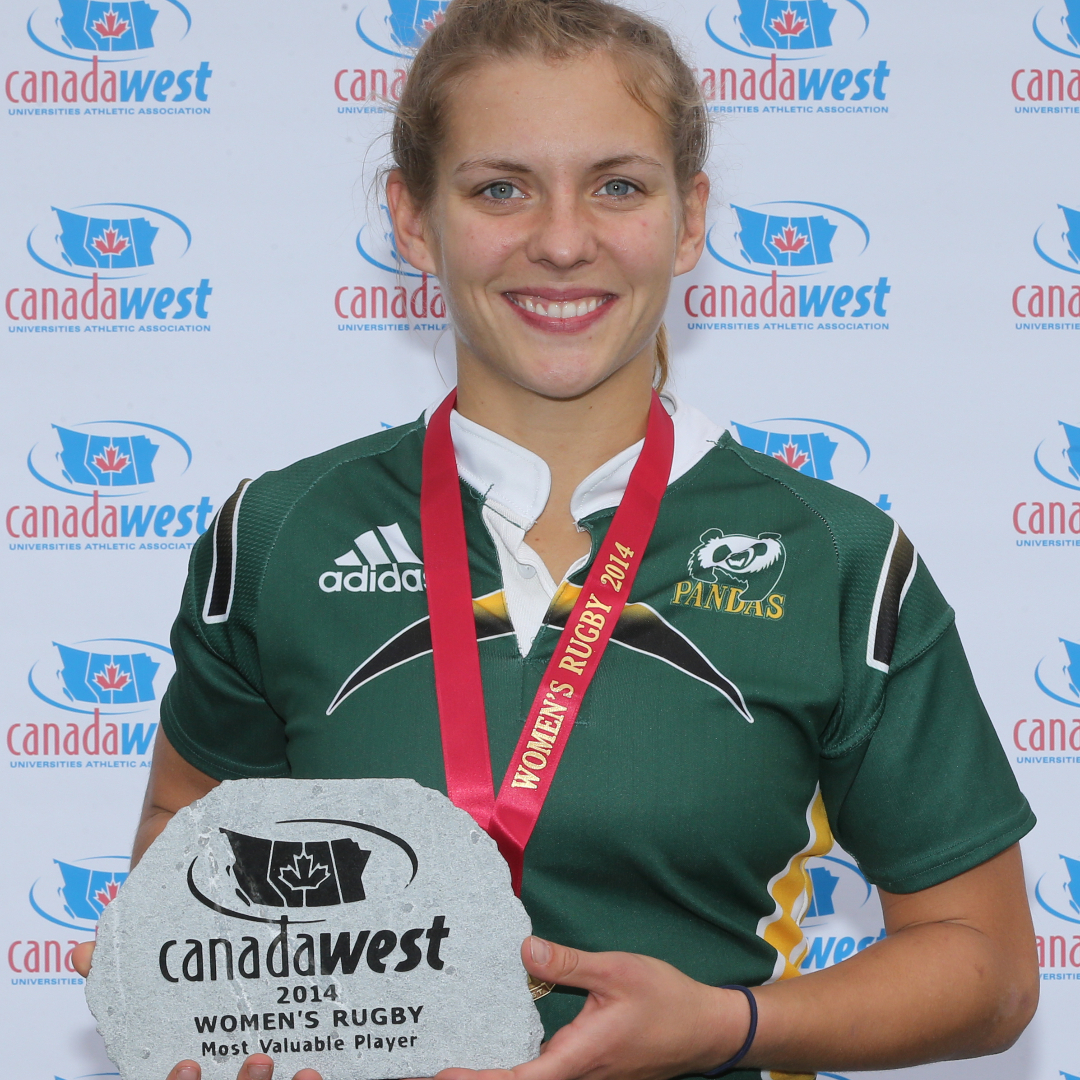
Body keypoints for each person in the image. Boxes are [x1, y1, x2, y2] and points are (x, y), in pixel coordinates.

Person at [74, 1, 1039, 1078]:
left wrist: (733, 1023)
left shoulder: (837, 559)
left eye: (617, 185)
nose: (564, 240)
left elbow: (988, 966)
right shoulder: (279, 534)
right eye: (501, 189)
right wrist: (201, 1005)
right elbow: (184, 831)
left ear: (688, 220)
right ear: (411, 218)